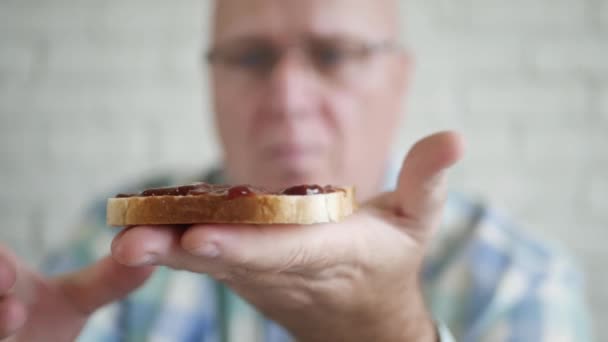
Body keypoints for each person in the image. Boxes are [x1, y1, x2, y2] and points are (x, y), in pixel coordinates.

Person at [0, 0, 592, 341]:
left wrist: (388, 330)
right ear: (211, 79)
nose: (286, 97)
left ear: (400, 79)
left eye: (334, 54)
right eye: (250, 57)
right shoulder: (112, 249)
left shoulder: (520, 284)